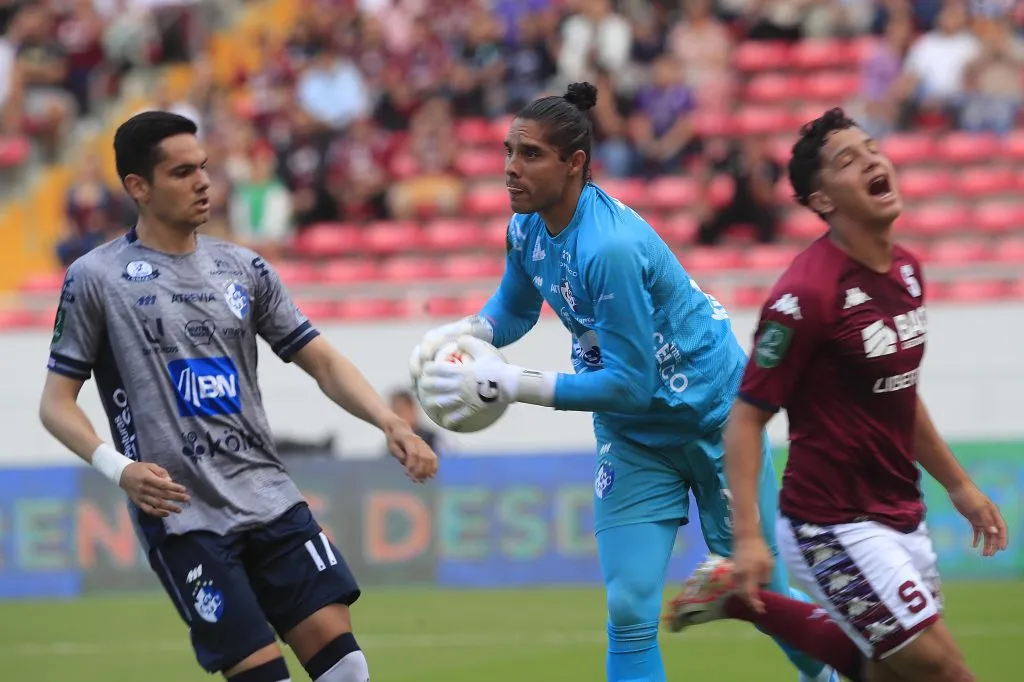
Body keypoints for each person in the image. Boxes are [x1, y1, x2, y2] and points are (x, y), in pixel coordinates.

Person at [409, 83, 837, 682]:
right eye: (509, 151)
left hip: (716, 417)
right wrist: (467, 332)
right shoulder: (527, 226)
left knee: (764, 593)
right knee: (630, 607)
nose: (511, 169)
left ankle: (830, 675)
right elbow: (517, 306)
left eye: (530, 155)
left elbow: (631, 382)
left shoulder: (607, 246)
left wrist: (513, 382)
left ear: (575, 164)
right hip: (634, 435)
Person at [38, 111, 438, 682]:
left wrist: (387, 421)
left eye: (203, 167)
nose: (204, 182)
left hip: (270, 497)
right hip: (184, 518)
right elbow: (55, 403)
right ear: (138, 187)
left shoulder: (244, 268)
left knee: (346, 668)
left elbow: (319, 357)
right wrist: (119, 468)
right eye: (182, 172)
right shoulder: (95, 278)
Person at [665, 108, 1008, 682]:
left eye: (872, 147)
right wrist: (749, 538)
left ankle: (740, 600)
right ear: (823, 200)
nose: (873, 159)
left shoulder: (907, 272)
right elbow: (746, 421)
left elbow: (899, 395)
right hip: (831, 523)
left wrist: (960, 485)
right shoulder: (804, 295)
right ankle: (746, 591)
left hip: (901, 509)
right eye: (848, 160)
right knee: (945, 670)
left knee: (886, 673)